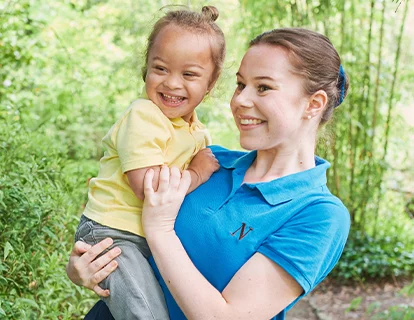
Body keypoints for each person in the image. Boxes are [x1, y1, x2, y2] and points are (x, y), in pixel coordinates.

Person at [67, 27, 351, 320]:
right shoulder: (207, 162)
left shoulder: (318, 214)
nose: (240, 100)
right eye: (241, 85)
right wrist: (88, 267)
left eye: (263, 87)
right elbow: (120, 221)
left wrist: (160, 230)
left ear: (314, 104)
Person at [72, 6, 226, 320]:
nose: (172, 83)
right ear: (146, 68)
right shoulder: (144, 116)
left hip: (142, 239)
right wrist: (196, 172)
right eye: (160, 69)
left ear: (210, 83)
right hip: (111, 235)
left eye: (189, 74)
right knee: (146, 314)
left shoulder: (196, 131)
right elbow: (149, 188)